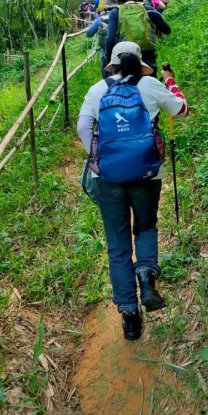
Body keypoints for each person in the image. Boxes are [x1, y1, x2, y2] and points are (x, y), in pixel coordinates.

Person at [77, 41, 189, 341]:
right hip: (147, 175)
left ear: (113, 64)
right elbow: (182, 110)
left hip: (109, 180)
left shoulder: (97, 90)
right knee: (145, 226)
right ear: (139, 63)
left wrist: (98, 160)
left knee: (118, 245)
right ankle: (146, 274)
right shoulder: (150, 84)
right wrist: (171, 82)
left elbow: (83, 126)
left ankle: (129, 315)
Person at [105, 0, 171, 77]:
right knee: (150, 78)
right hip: (147, 50)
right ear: (137, 0)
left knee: (129, 79)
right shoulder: (147, 8)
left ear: (120, 2)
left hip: (126, 53)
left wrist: (108, 54)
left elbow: (110, 38)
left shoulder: (115, 12)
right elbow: (167, 30)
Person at [85, 0, 118, 77]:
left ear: (105, 7)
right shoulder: (121, 16)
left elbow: (88, 33)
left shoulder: (100, 18)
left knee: (107, 76)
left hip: (105, 51)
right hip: (120, 50)